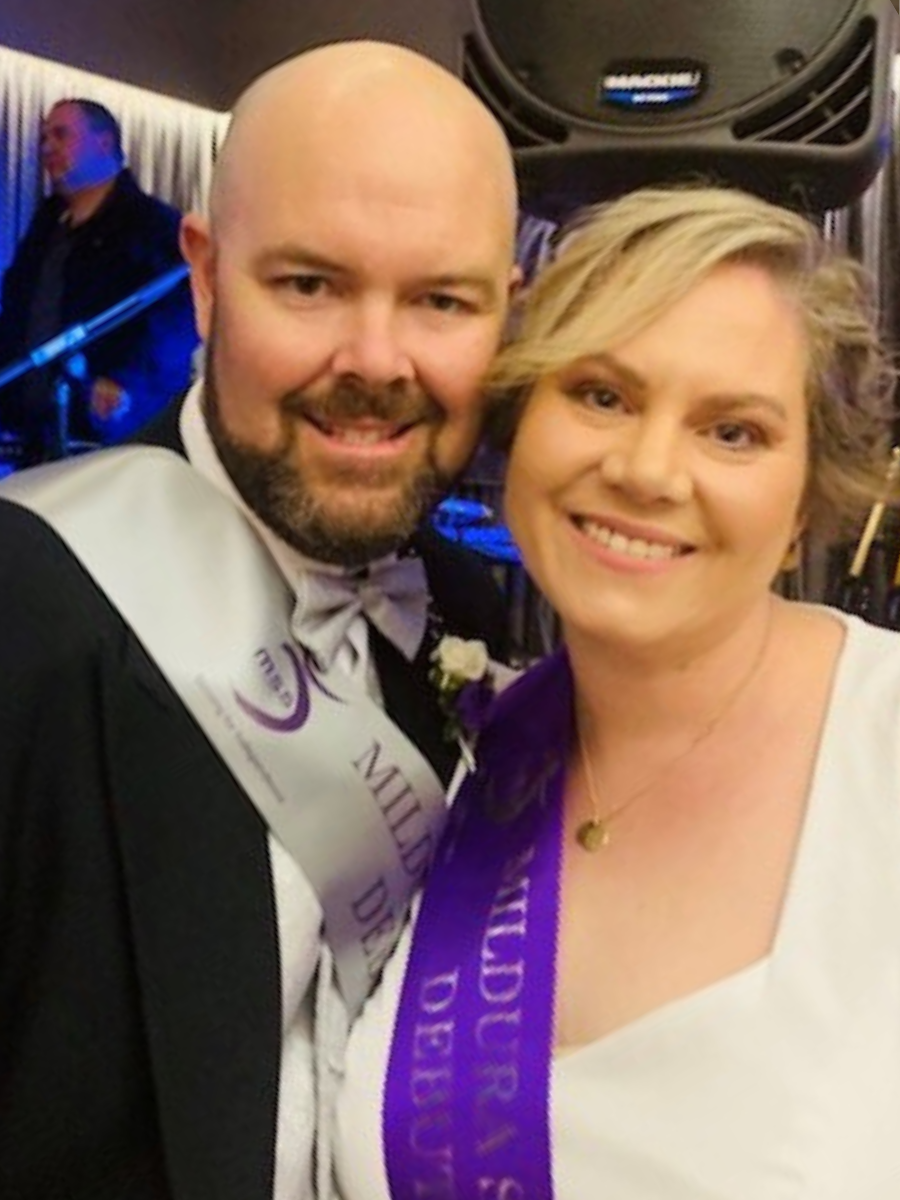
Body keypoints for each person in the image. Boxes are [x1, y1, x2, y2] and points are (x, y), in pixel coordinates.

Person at [0, 41, 519, 1200]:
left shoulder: (467, 609)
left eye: (441, 298)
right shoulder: (20, 616)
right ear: (205, 274)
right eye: (309, 285)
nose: (375, 362)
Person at [332, 185, 900, 1199]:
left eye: (733, 432)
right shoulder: (466, 758)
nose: (645, 470)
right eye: (602, 395)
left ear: (810, 493)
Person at [0, 98, 198, 461]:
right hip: (34, 436)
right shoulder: (46, 227)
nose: (47, 148)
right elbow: (15, 312)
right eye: (44, 138)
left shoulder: (154, 226)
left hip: (110, 440)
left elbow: (178, 319)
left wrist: (127, 383)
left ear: (104, 143)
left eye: (60, 135)